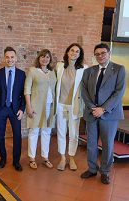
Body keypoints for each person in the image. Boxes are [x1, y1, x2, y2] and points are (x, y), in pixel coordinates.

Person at [80, 43, 126, 184]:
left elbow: (119, 92)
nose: (100, 56)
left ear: (109, 53)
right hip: (92, 113)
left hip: (109, 114)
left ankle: (105, 172)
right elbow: (84, 90)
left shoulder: (119, 69)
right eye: (97, 54)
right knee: (91, 143)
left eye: (103, 53)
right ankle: (92, 169)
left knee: (107, 144)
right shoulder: (89, 71)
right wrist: (93, 108)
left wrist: (103, 109)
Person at [0, 47, 26, 171]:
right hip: (1, 109)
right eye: (7, 57)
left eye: (12, 57)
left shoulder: (22, 74)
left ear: (16, 58)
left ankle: (16, 161)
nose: (10, 59)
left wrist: (22, 109)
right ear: (4, 58)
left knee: (17, 135)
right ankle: (3, 158)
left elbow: (24, 93)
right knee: (0, 135)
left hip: (15, 109)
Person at [55, 43, 87, 171]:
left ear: (80, 54)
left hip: (75, 105)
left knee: (73, 133)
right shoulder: (59, 66)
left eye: (77, 51)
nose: (74, 53)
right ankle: (62, 158)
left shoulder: (84, 68)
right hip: (61, 104)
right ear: (67, 52)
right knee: (61, 132)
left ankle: (72, 157)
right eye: (72, 50)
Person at [24, 49, 57, 169]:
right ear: (39, 58)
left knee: (46, 132)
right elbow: (27, 90)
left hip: (49, 106)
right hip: (36, 106)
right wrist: (28, 106)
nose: (45, 59)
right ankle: (32, 158)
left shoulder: (53, 72)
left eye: (47, 57)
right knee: (34, 131)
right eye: (42, 57)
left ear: (50, 59)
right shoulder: (33, 71)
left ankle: (45, 157)